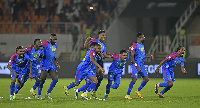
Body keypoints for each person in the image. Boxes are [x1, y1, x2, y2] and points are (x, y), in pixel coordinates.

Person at [125, 32, 153, 99]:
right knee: (134, 79)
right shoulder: (134, 45)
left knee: (146, 79)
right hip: (136, 65)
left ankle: (138, 91)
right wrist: (136, 66)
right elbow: (131, 57)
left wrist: (150, 56)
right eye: (143, 37)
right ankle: (127, 95)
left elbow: (143, 55)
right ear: (140, 38)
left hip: (142, 65)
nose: (144, 38)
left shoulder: (142, 46)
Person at [84, 30, 111, 98]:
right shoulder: (94, 41)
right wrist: (87, 40)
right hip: (93, 62)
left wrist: (114, 56)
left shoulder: (103, 46)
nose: (104, 36)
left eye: (104, 35)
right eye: (102, 35)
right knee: (96, 76)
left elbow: (104, 55)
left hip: (100, 61)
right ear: (99, 35)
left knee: (101, 76)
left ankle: (93, 91)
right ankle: (85, 91)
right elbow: (86, 46)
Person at [38, 33, 60, 100]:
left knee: (55, 79)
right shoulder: (46, 43)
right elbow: (38, 46)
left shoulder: (55, 45)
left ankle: (48, 93)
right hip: (45, 65)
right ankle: (39, 95)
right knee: (42, 80)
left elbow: (53, 55)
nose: (55, 40)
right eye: (54, 39)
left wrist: (56, 63)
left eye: (56, 39)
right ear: (50, 38)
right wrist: (40, 53)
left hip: (51, 65)